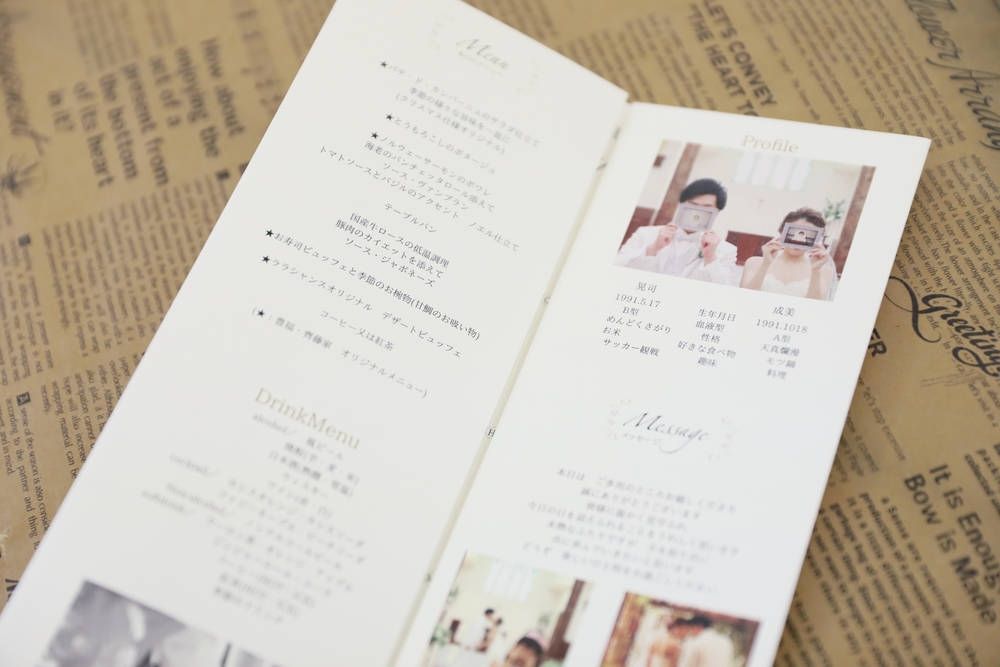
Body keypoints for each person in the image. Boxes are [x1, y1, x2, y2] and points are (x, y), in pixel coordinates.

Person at [615, 178, 739, 285]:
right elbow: (618, 268)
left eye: (706, 208)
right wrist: (653, 248)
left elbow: (725, 290)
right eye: (692, 205)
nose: (697, 213)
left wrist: (710, 257)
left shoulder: (726, 250)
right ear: (681, 205)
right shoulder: (645, 234)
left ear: (717, 212)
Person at [740, 207, 835, 299]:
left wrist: (816, 271)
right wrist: (765, 264)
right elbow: (743, 298)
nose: (799, 240)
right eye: (794, 232)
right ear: (782, 231)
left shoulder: (824, 271)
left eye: (809, 235)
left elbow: (814, 306)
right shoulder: (754, 263)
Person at [671, 615, 738, 667]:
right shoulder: (726, 641)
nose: (690, 632)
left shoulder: (695, 642)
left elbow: (686, 665)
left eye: (691, 628)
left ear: (698, 627)